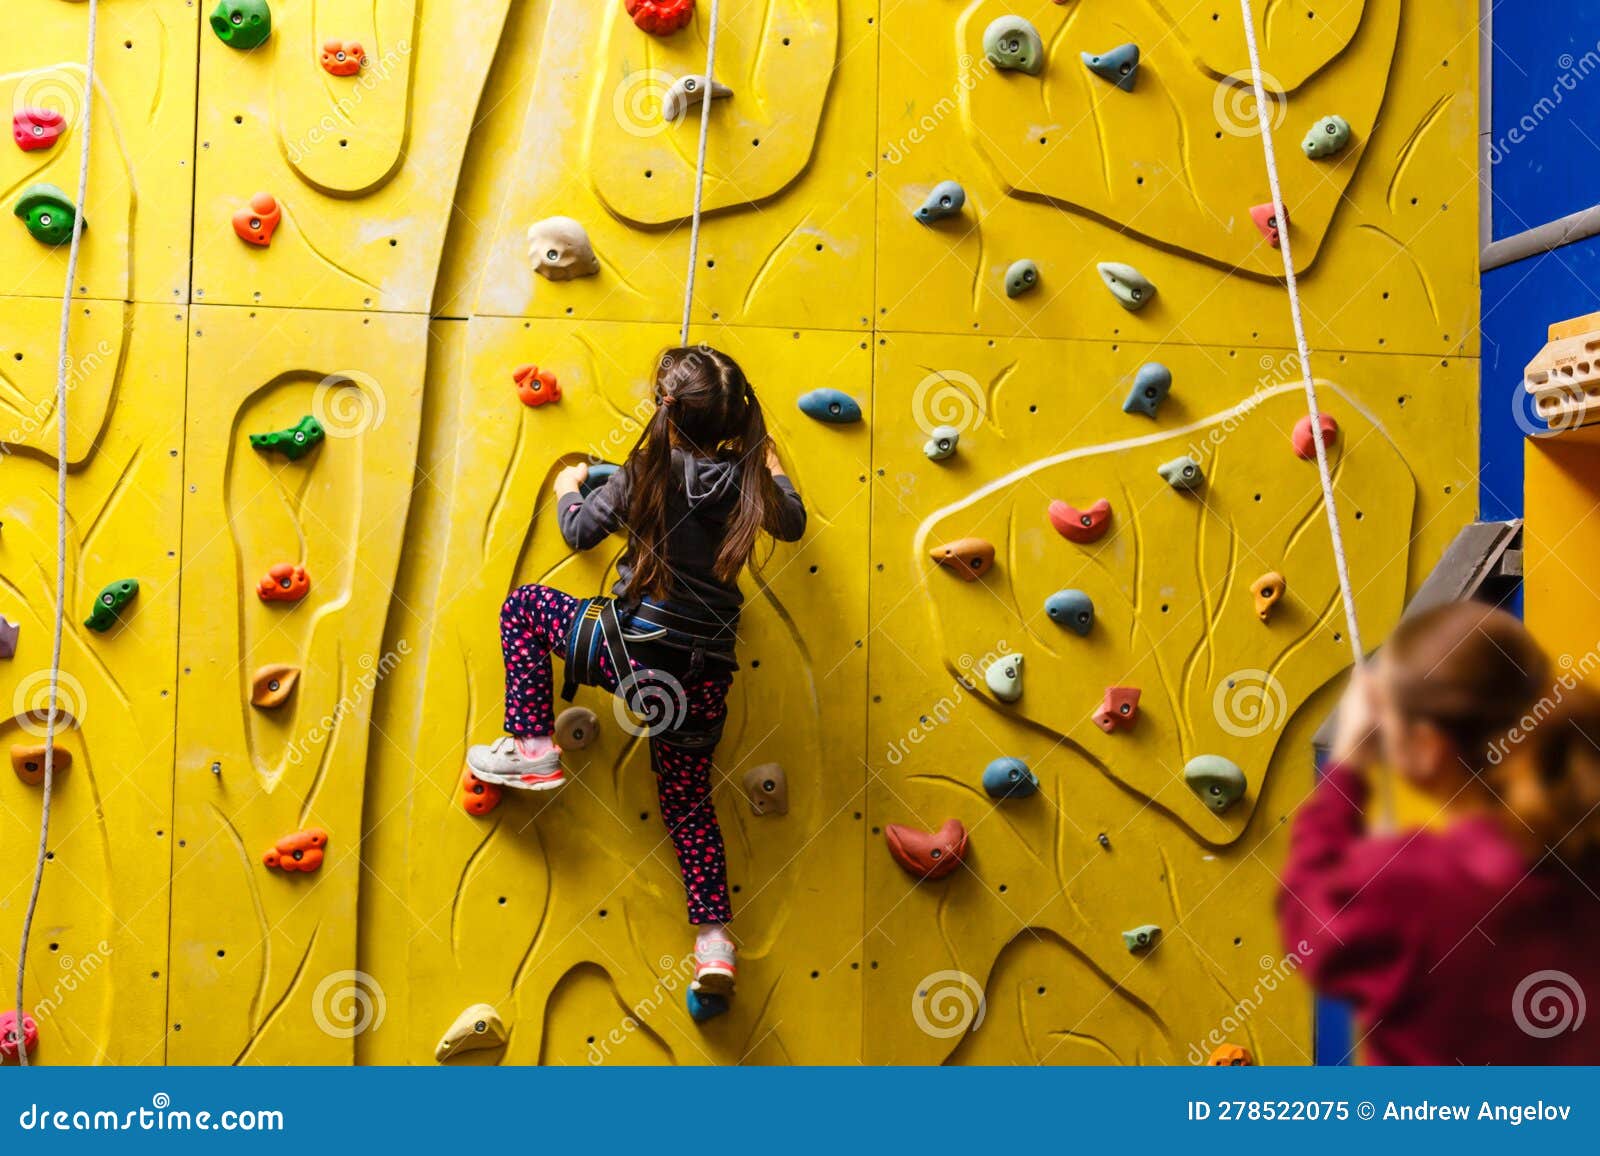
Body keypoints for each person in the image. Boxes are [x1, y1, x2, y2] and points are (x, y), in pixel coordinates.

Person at [467, 346, 807, 1006]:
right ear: (736, 418)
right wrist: (774, 470)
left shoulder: (644, 472)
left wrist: (570, 484)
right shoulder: (746, 482)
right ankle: (714, 941)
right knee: (686, 802)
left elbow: (578, 533)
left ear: (665, 409)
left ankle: (532, 748)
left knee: (526, 608)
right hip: (701, 676)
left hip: (627, 652)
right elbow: (790, 522)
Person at [1280, 600, 1600, 1064]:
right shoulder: (1583, 850)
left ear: (1429, 746)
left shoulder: (1414, 883)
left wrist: (1346, 766)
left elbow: (1310, 927)